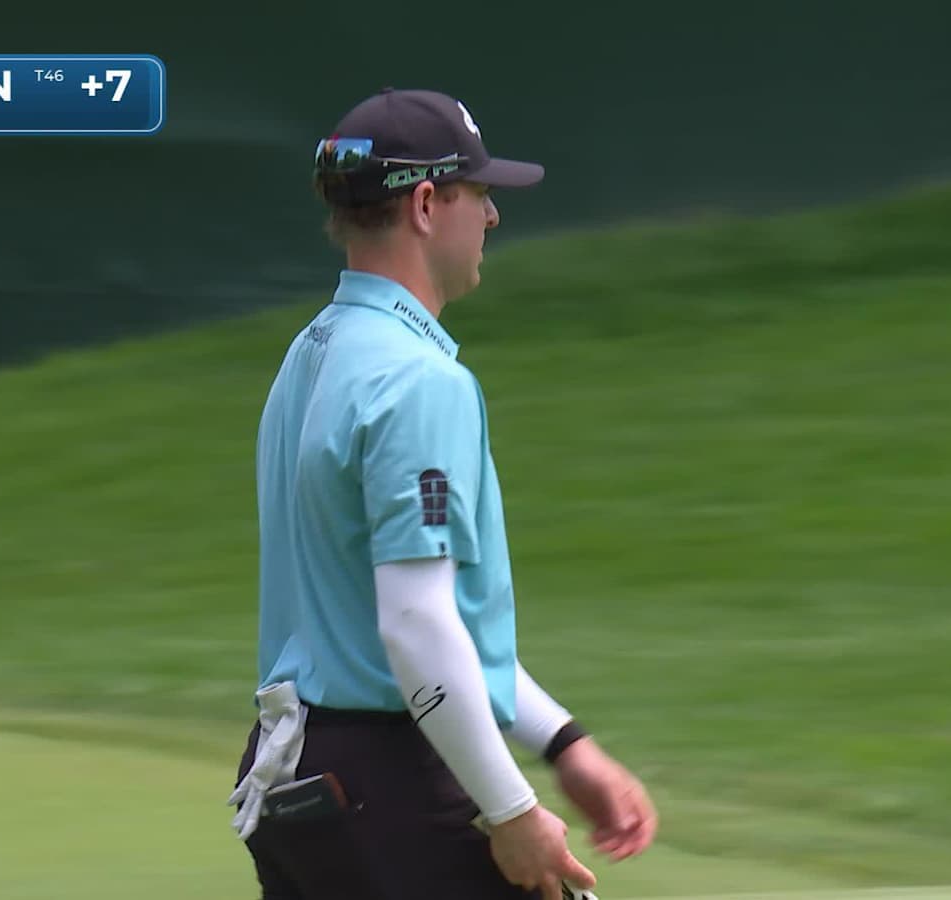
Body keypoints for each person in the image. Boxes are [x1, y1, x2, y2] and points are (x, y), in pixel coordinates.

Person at [228, 87, 658, 900]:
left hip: (299, 776)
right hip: (389, 786)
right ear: (427, 204)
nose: (491, 219)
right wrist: (513, 810)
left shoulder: (313, 352)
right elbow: (417, 624)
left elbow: (415, 621)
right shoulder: (420, 382)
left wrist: (564, 744)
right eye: (481, 194)